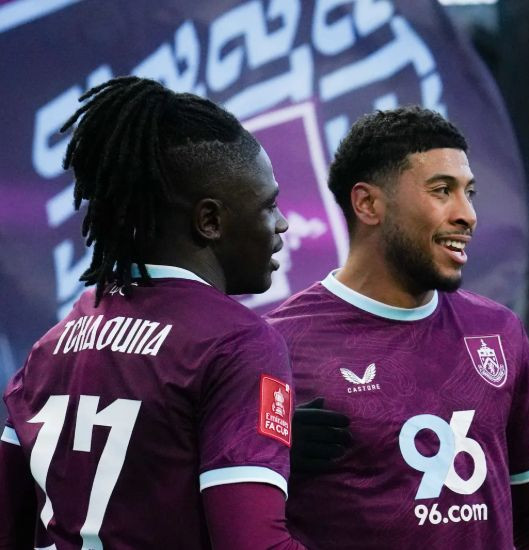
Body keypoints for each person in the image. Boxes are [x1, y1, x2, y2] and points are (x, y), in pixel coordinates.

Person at [0, 76, 304, 549]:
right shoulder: (237, 343)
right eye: (269, 205)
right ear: (210, 221)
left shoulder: (50, 347)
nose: (282, 223)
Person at [266, 106, 529, 549]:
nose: (467, 215)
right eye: (442, 191)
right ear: (368, 204)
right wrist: (272, 457)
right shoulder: (278, 344)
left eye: (469, 193)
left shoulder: (496, 331)